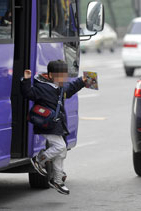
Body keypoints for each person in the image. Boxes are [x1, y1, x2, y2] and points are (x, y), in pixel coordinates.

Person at [20, 60, 87, 195]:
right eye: (60, 76)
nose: (63, 79)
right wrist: (25, 80)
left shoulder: (60, 87)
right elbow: (28, 94)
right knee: (60, 147)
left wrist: (83, 81)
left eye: (64, 76)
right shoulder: (41, 87)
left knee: (61, 153)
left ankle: (57, 180)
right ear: (50, 75)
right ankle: (39, 159)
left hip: (56, 125)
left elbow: (71, 88)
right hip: (47, 124)